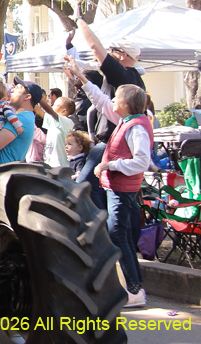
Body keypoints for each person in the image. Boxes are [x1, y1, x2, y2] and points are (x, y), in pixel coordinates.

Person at [64, 56, 151, 307]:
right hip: (117, 187)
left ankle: (133, 289)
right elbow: (101, 101)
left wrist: (108, 165)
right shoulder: (126, 120)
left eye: (117, 98)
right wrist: (82, 80)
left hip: (122, 189)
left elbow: (141, 161)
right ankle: (133, 285)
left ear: (126, 104)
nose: (112, 100)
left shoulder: (135, 127)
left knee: (118, 235)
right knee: (118, 234)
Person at [76, 17, 145, 144]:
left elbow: (95, 46)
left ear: (123, 55)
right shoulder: (135, 77)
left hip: (112, 139)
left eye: (113, 50)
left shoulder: (119, 74)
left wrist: (79, 21)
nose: (109, 53)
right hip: (117, 137)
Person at [37, 95, 75, 168]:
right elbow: (39, 111)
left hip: (60, 166)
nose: (52, 107)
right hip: (49, 164)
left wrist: (38, 98)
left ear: (64, 110)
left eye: (55, 105)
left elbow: (51, 112)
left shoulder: (67, 122)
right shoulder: (53, 121)